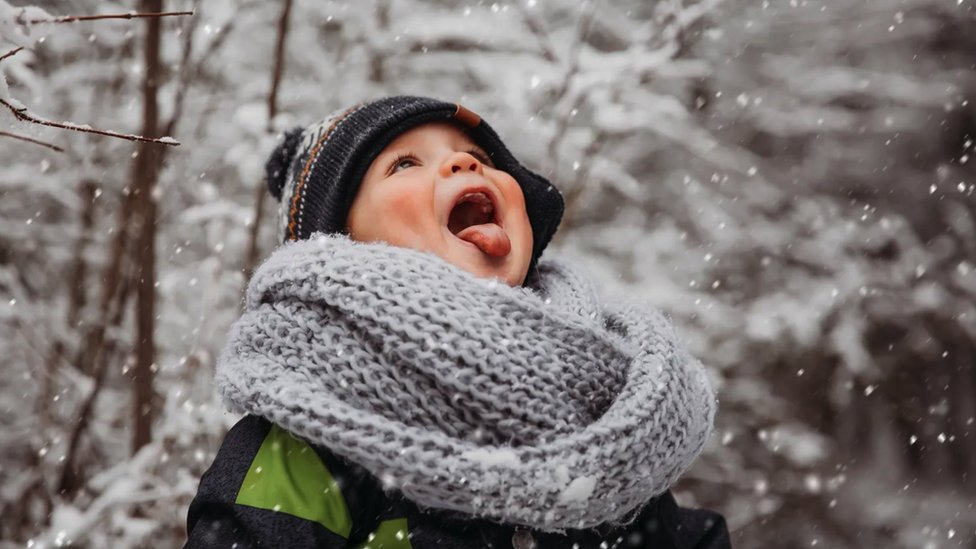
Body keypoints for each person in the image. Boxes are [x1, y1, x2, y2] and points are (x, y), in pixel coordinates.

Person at [185, 95, 731, 548]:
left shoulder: (601, 416)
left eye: (478, 156)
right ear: (340, 241)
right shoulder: (306, 432)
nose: (466, 164)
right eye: (403, 163)